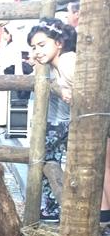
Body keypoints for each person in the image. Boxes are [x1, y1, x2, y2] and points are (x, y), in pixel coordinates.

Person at [27, 18, 77, 223]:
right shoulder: (55, 63)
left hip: (65, 122)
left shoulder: (67, 61)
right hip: (64, 121)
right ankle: (52, 206)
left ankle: (54, 207)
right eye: (33, 47)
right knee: (50, 160)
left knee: (48, 158)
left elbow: (88, 93)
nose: (37, 51)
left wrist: (71, 93)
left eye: (41, 45)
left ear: (59, 43)